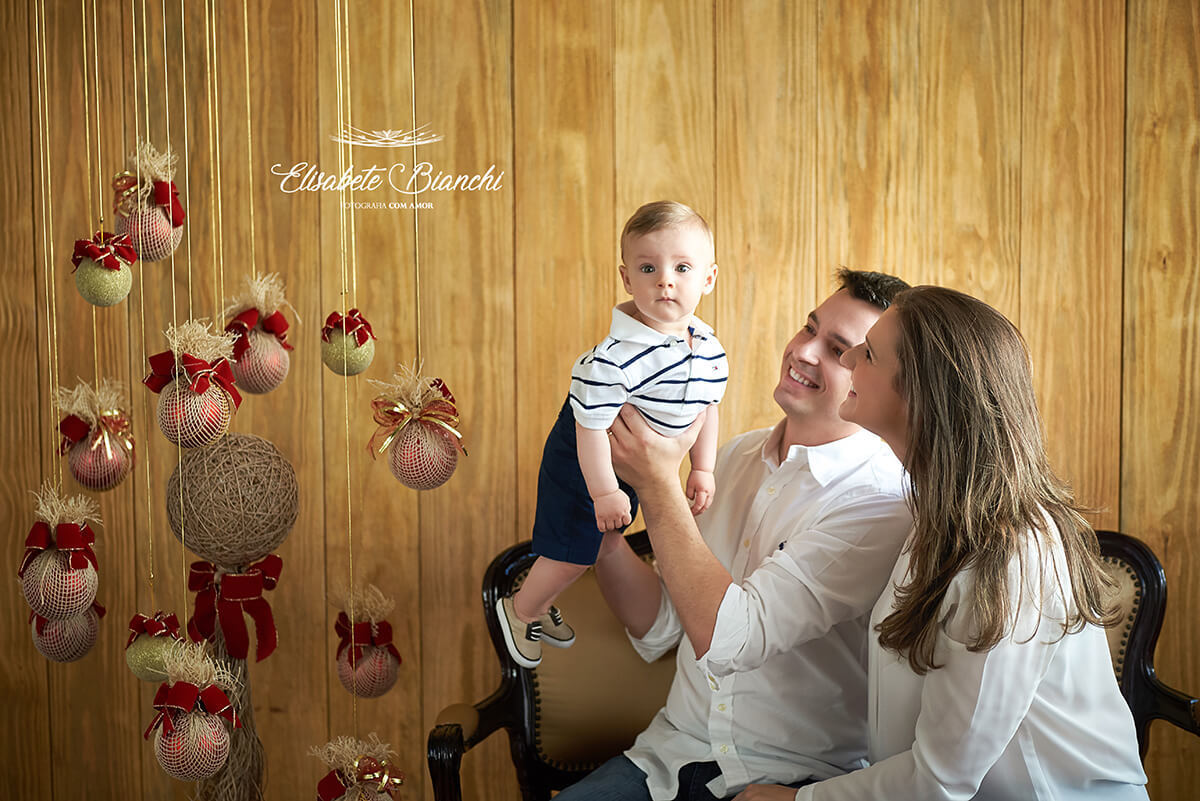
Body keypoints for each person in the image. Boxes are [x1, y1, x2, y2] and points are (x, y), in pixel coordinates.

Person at [736, 286, 1148, 800]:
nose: (846, 358)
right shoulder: (933, 516)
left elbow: (939, 782)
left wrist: (797, 799)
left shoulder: (1011, 555)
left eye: (867, 353)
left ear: (921, 395)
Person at [557, 270, 915, 801]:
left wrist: (657, 486)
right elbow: (660, 628)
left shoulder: (879, 501)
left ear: (876, 378)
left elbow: (730, 641)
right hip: (668, 755)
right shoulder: (731, 458)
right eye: (808, 328)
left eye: (839, 350)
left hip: (797, 777)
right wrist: (604, 538)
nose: (804, 352)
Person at [496, 200, 728, 669]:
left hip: (633, 466)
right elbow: (590, 430)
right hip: (585, 460)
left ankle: (539, 604)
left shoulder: (708, 348)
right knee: (576, 552)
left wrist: (702, 467)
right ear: (627, 279)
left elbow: (708, 408)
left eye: (682, 267)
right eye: (648, 267)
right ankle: (519, 611)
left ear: (708, 278)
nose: (665, 279)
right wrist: (602, 491)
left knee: (599, 543)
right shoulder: (611, 359)